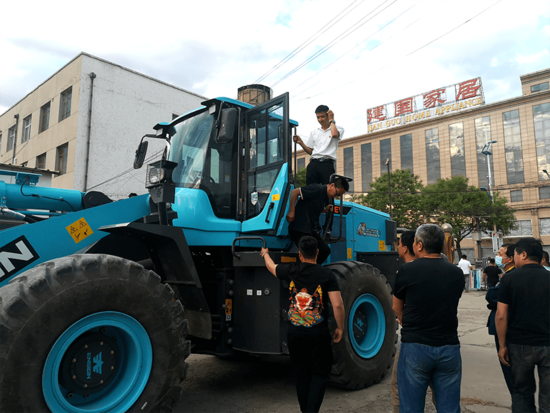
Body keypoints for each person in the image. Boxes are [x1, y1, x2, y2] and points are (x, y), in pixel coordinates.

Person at [260, 236, 345, 413]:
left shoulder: (292, 270)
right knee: (320, 375)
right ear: (318, 253)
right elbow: (337, 304)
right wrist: (340, 327)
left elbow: (272, 267)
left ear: (300, 254)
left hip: (295, 334)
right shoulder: (327, 275)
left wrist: (265, 254)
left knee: (302, 374)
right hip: (318, 334)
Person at [392, 224, 464, 413]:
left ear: (420, 245)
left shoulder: (407, 271)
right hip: (449, 347)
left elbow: (396, 307)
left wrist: (407, 323)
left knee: (411, 408)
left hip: (415, 346)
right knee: (449, 408)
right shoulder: (456, 273)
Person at [496, 238, 550, 413]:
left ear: (524, 255)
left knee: (521, 393)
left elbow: (501, 315)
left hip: (519, 346)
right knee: (548, 396)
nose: (515, 258)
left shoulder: (509, 280)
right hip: (548, 344)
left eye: (516, 254)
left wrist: (502, 345)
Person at [286, 177, 349, 264]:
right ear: (332, 185)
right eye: (337, 193)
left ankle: (311, 270)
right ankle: (306, 271)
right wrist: (291, 211)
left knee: (325, 250)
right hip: (300, 229)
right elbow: (294, 192)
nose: (335, 196)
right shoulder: (317, 188)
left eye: (338, 196)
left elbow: (313, 207)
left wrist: (326, 210)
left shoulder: (325, 197)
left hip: (311, 230)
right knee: (309, 253)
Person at [486, 243, 517, 400]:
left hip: (508, 330)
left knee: (512, 373)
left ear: (511, 258)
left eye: (500, 253)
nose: (498, 256)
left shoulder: (511, 276)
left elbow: (492, 298)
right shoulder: (505, 274)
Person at [391, 230, 416, 413]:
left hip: (413, 337)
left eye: (399, 243)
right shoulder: (448, 270)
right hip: (443, 341)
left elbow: (396, 306)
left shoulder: (405, 271)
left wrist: (403, 320)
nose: (397, 246)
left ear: (406, 248)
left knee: (399, 385)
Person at [293, 105, 344, 186]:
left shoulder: (339, 129)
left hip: (327, 164)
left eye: (322, 117)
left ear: (328, 115)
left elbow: (334, 134)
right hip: (313, 164)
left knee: (328, 191)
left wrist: (332, 120)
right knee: (311, 191)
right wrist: (301, 143)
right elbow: (311, 152)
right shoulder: (314, 132)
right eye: (318, 117)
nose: (320, 120)